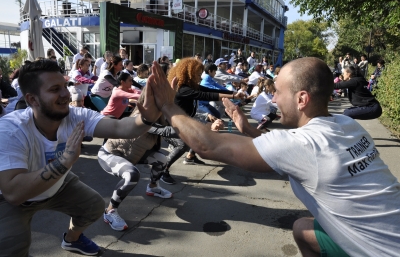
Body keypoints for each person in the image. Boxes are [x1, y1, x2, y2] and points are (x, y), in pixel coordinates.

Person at [147, 57, 400, 257]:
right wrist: (246, 129)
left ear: (301, 99)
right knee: (303, 229)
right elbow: (286, 148)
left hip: (377, 250)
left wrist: (169, 106)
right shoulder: (347, 124)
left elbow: (206, 145)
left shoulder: (303, 144)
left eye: (278, 92)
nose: (273, 98)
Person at [0, 59, 164, 256]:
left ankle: (72, 240)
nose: (65, 94)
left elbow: (122, 127)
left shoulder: (75, 115)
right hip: (15, 199)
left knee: (94, 207)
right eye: (54, 89)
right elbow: (13, 192)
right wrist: (64, 162)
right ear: (32, 99)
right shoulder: (10, 130)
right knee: (11, 247)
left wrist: (148, 116)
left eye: (64, 86)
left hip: (58, 183)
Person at [98, 92, 174, 231]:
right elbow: (168, 131)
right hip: (109, 155)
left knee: (162, 159)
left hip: (132, 155)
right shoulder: (142, 116)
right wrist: (198, 130)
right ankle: (109, 211)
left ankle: (153, 187)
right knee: (132, 175)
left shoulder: (161, 115)